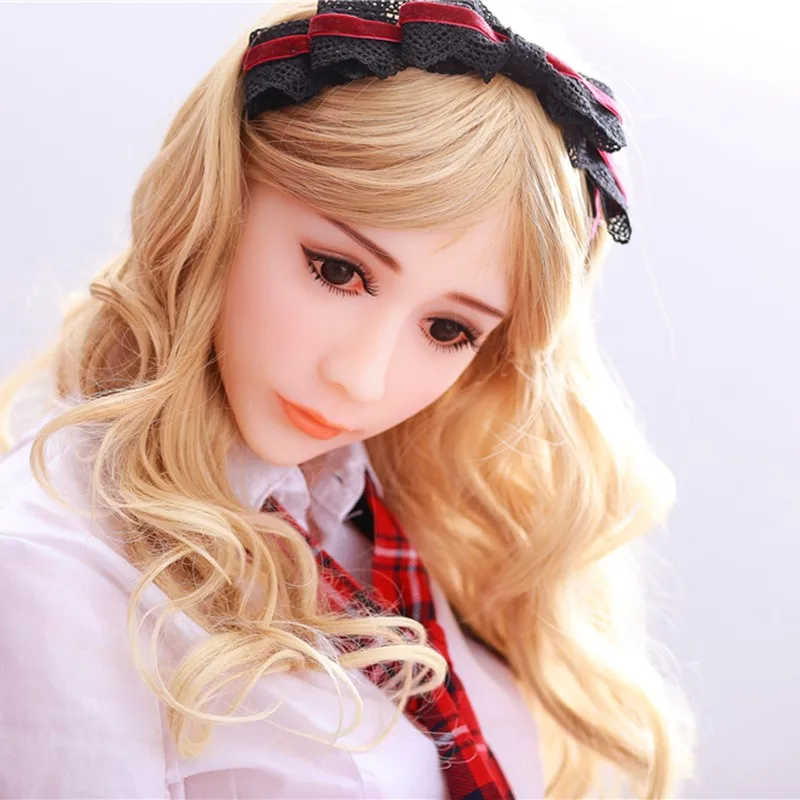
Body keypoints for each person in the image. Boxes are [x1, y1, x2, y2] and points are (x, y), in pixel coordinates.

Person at [0, 0, 695, 797]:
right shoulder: (48, 575)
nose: (362, 378)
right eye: (336, 271)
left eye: (448, 329)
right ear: (219, 201)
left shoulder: (380, 515)